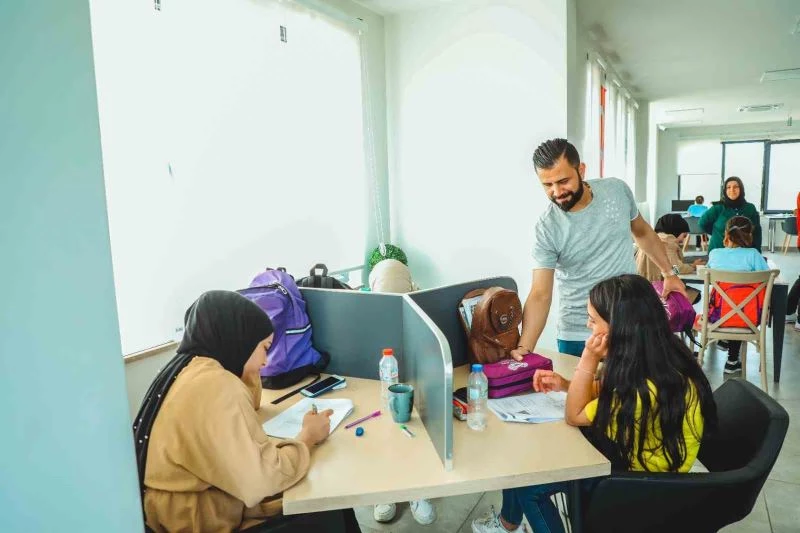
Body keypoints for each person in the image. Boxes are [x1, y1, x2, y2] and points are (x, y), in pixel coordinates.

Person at [471, 274, 717, 533]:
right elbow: (605, 393)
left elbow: (574, 415)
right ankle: (508, 524)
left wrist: (588, 357)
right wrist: (566, 385)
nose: (588, 325)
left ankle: (509, 524)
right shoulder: (661, 358)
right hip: (656, 471)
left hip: (639, 487)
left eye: (593, 320)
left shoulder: (639, 388)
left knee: (529, 485)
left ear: (619, 327)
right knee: (531, 459)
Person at [135, 291, 361, 532]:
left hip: (176, 510)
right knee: (327, 503)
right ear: (239, 342)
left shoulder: (189, 366)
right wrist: (307, 437)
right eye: (265, 348)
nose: (266, 362)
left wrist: (247, 366)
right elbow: (262, 481)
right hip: (198, 522)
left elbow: (251, 406)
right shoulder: (217, 385)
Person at [511, 138, 686, 359]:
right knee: (582, 394)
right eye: (547, 185)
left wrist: (669, 273)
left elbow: (641, 232)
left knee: (637, 393)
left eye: (563, 181)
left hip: (630, 322)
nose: (557, 192)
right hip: (580, 334)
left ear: (581, 170)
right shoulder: (547, 228)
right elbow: (540, 294)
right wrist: (524, 348)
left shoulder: (616, 190)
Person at [706, 216, 770, 375]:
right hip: (749, 318)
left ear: (726, 233)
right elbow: (767, 278)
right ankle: (732, 360)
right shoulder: (754, 255)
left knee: (731, 303)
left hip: (718, 316)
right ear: (749, 235)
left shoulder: (715, 254)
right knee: (741, 304)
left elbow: (706, 273)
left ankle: (726, 340)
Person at [699, 177, 762, 253]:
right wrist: (717, 234)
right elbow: (702, 223)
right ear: (725, 190)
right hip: (719, 251)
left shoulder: (750, 208)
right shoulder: (718, 208)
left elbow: (757, 231)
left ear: (741, 189)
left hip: (744, 253)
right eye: (728, 187)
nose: (732, 190)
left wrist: (757, 251)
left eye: (736, 187)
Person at [636, 213, 704, 282]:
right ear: (676, 231)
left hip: (644, 281)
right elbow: (676, 269)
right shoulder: (667, 242)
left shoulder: (654, 238)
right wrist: (693, 266)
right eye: (684, 236)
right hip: (657, 285)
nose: (684, 240)